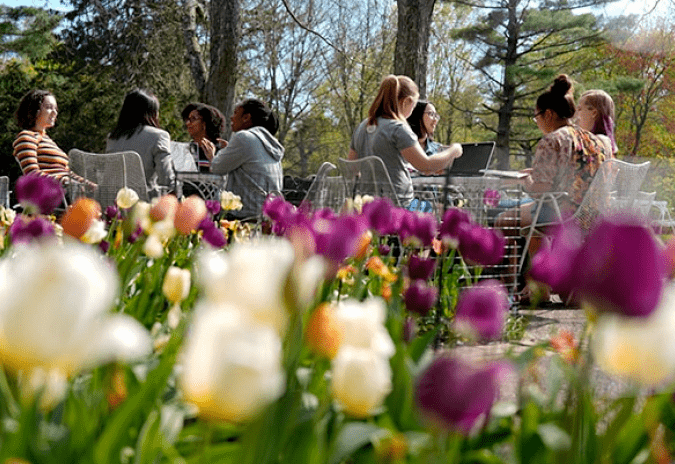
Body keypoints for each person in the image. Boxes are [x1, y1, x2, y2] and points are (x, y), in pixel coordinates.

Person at [496, 74, 612, 300]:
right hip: (593, 214)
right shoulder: (599, 141)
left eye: (536, 117)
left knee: (504, 220)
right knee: (533, 219)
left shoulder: (552, 140)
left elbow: (539, 189)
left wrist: (522, 180)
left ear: (548, 114)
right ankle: (538, 286)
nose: (537, 122)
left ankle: (511, 288)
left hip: (563, 214)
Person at [347, 75, 462, 206]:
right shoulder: (398, 128)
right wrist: (454, 150)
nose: (411, 112)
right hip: (400, 205)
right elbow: (426, 166)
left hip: (367, 204)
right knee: (441, 209)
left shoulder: (362, 127)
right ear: (406, 101)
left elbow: (351, 168)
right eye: (412, 107)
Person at [209, 98, 284, 220]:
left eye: (235, 113)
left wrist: (212, 155)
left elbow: (216, 168)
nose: (231, 118)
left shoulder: (244, 137)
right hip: (266, 218)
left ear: (246, 117)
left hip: (242, 217)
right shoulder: (270, 144)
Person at [12, 89, 90, 188]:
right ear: (34, 110)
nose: (54, 113)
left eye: (56, 109)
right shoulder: (26, 137)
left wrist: (88, 184)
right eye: (49, 107)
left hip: (69, 192)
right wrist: (64, 182)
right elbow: (32, 174)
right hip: (52, 194)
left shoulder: (49, 141)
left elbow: (67, 173)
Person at [106, 89, 175, 198]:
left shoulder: (113, 137)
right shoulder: (159, 136)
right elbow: (166, 180)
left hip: (115, 204)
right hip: (144, 206)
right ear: (152, 113)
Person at [181, 102, 226, 172]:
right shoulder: (186, 150)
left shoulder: (221, 152)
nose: (188, 123)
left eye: (193, 119)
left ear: (205, 123)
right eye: (187, 119)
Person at [576, 89, 618, 157]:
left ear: (594, 113)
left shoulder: (600, 142)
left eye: (580, 109)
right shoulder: (606, 142)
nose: (576, 114)